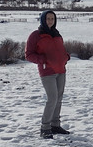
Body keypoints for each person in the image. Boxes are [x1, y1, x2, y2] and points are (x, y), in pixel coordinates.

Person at [25, 10, 70, 139]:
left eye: (52, 18)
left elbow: (60, 49)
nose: (50, 21)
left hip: (61, 70)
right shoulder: (36, 35)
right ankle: (45, 127)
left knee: (59, 98)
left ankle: (55, 125)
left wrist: (65, 57)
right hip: (47, 71)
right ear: (42, 20)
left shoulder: (57, 34)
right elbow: (28, 55)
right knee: (52, 99)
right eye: (48, 18)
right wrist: (42, 60)